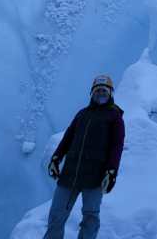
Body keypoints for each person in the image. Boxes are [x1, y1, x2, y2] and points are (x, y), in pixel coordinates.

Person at [44, 74, 125, 239]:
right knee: (56, 215)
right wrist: (56, 158)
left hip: (95, 177)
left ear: (110, 93)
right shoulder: (82, 114)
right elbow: (68, 137)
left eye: (104, 91)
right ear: (92, 93)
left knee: (90, 218)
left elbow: (117, 146)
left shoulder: (115, 117)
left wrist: (111, 172)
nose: (100, 94)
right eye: (97, 91)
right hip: (70, 174)